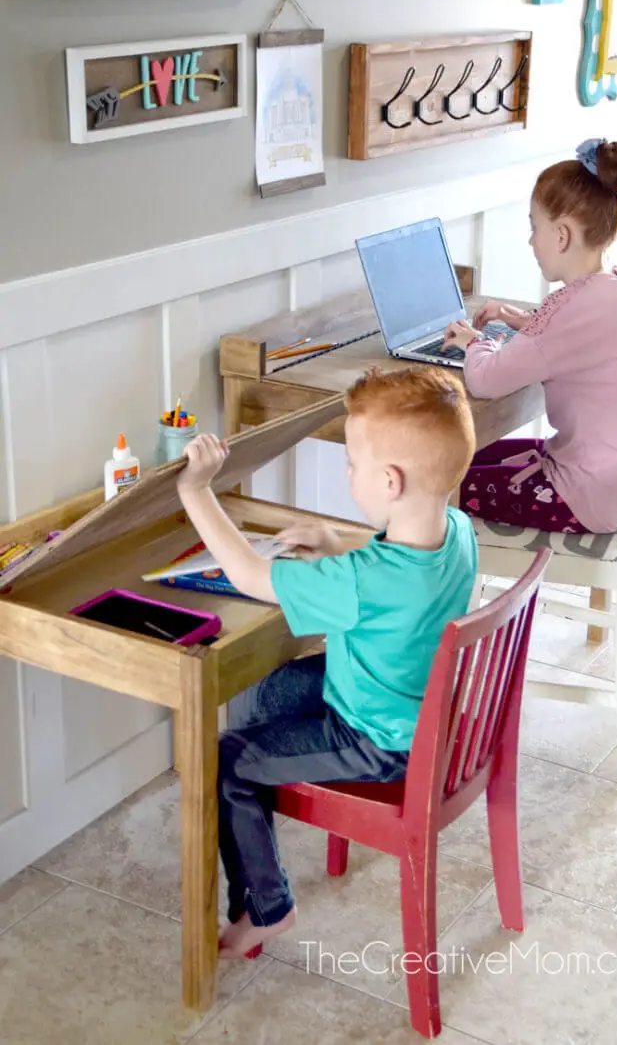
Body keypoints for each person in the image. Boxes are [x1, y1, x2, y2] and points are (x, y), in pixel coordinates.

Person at [176, 366, 478, 959]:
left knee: (228, 758)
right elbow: (391, 576)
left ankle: (267, 907)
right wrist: (336, 545)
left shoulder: (363, 582)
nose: (347, 473)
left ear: (388, 481)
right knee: (273, 691)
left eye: (350, 463)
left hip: (380, 741)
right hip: (412, 705)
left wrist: (196, 491)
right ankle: (255, 819)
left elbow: (249, 575)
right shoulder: (456, 529)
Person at [442, 135, 617, 536]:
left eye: (534, 227)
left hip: (584, 495)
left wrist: (474, 339)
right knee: (454, 457)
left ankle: (454, 594)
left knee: (433, 482)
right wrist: (519, 321)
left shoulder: (567, 308)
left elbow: (484, 378)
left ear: (562, 235)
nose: (531, 242)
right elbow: (576, 340)